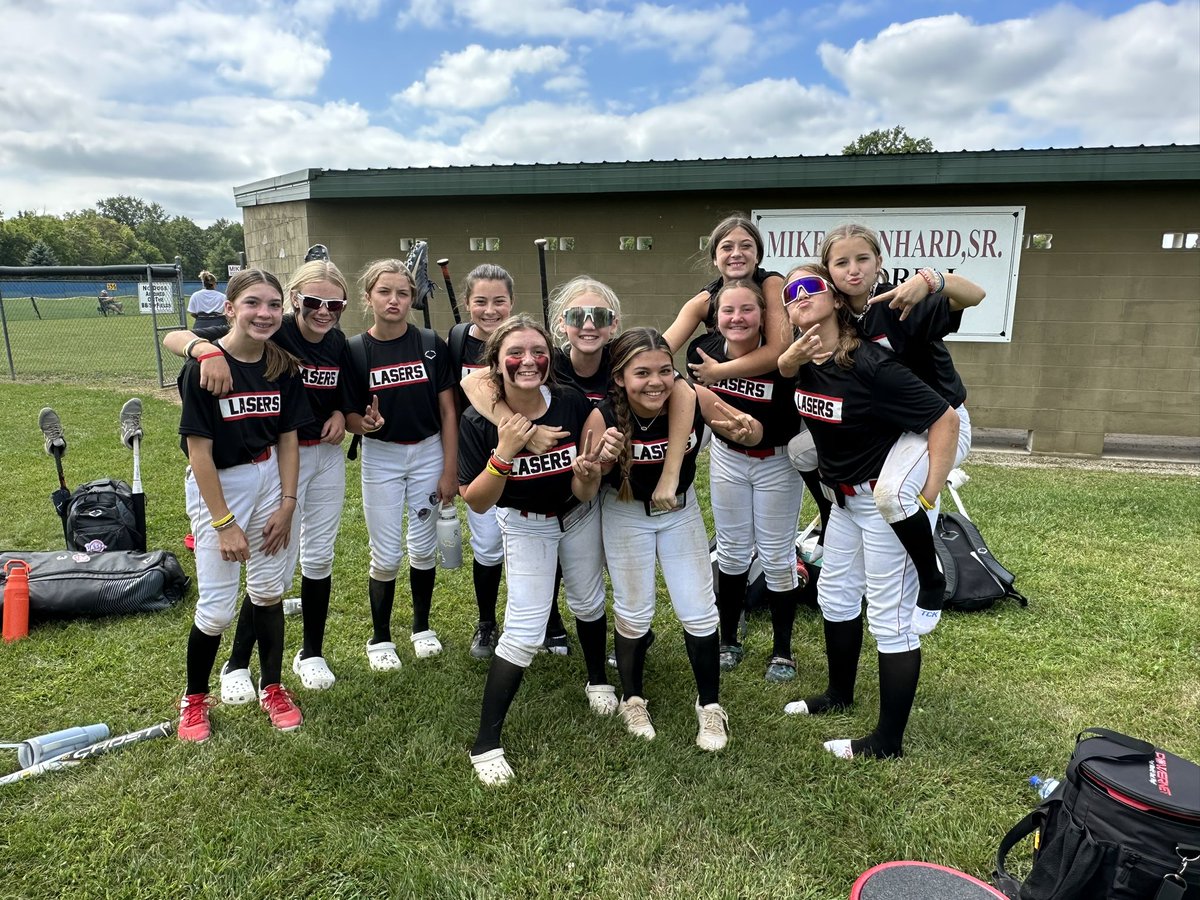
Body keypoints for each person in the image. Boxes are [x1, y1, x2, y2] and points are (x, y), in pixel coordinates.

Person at [777, 265, 959, 759]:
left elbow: (944, 418)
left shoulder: (870, 364)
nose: (800, 296)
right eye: (790, 293)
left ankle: (886, 742)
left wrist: (930, 492)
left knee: (890, 619)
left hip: (883, 502)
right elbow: (786, 375)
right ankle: (839, 694)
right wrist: (788, 362)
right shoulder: (802, 360)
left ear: (836, 299)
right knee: (835, 598)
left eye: (811, 287)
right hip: (843, 502)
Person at [462, 275, 693, 653]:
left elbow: (680, 387)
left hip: (614, 478)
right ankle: (549, 621)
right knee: (549, 548)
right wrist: (523, 430)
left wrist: (670, 473)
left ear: (613, 324)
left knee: (609, 558)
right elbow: (475, 383)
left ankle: (632, 628)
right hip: (560, 475)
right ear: (561, 323)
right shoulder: (547, 360)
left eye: (599, 316)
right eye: (577, 315)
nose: (589, 324)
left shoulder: (622, 356)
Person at [166, 259, 356, 695]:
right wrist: (205, 351)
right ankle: (228, 670)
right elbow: (175, 337)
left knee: (288, 574)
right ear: (295, 301)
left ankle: (295, 666)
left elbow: (335, 399)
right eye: (314, 301)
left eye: (335, 304)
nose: (324, 310)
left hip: (299, 461)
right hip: (252, 466)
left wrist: (341, 413)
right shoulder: (269, 332)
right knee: (239, 593)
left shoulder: (317, 348)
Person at [459, 314, 616, 785]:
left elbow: (586, 488)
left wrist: (589, 475)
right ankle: (485, 742)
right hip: (525, 523)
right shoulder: (478, 420)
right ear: (496, 363)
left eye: (538, 352)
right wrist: (505, 453)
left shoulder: (569, 402)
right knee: (525, 629)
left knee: (588, 599)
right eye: (516, 353)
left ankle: (597, 678)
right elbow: (478, 501)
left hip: (576, 513)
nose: (528, 361)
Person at [590, 327, 762, 751]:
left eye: (665, 371)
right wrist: (602, 460)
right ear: (619, 378)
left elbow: (752, 431)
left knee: (699, 610)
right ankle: (632, 699)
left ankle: (710, 705)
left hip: (679, 511)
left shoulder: (690, 397)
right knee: (634, 610)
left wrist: (748, 430)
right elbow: (588, 481)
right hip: (626, 512)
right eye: (642, 373)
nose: (656, 382)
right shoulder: (603, 415)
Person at [817, 223, 985, 628]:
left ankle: (931, 575)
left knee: (893, 494)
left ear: (879, 262)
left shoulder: (901, 300)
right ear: (828, 270)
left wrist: (932, 280)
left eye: (863, 259)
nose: (853, 270)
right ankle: (829, 518)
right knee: (801, 451)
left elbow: (975, 294)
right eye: (842, 262)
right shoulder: (836, 313)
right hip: (890, 429)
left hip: (941, 422)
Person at [174, 269, 312, 742]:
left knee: (269, 591)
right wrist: (224, 523)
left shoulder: (282, 366)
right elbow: (199, 453)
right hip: (220, 484)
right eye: (253, 302)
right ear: (230, 308)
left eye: (274, 304)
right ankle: (194, 698)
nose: (265, 313)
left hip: (270, 476)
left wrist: (288, 503)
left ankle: (272, 687)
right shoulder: (206, 366)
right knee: (216, 608)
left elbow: (288, 438)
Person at [666, 214, 834, 560]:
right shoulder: (704, 300)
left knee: (809, 453)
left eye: (746, 245)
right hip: (736, 419)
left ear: (758, 254)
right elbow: (661, 347)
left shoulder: (771, 284)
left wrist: (720, 371)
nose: (736, 253)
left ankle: (828, 514)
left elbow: (778, 352)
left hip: (786, 403)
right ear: (714, 257)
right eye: (727, 247)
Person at [686, 279, 806, 681]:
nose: (737, 318)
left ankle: (782, 651)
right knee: (733, 551)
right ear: (716, 316)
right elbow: (697, 398)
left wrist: (758, 432)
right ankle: (728, 640)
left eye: (747, 310)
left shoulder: (784, 357)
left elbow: (792, 415)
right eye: (728, 310)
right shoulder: (703, 351)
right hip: (728, 457)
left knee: (777, 555)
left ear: (764, 315)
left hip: (776, 460)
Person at [344, 259, 458, 671]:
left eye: (403, 293)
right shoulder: (356, 350)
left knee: (424, 548)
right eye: (384, 292)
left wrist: (449, 469)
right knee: (386, 553)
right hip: (382, 456)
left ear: (413, 298)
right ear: (368, 297)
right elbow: (349, 416)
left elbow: (448, 411)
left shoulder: (429, 342)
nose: (394, 300)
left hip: (428, 450)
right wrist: (365, 424)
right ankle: (380, 637)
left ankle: (421, 627)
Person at [446, 264, 514, 659]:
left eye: (499, 301)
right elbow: (452, 405)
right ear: (467, 303)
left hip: (524, 454)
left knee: (532, 542)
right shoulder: (457, 340)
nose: (490, 310)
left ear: (512, 303)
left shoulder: (524, 340)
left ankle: (548, 619)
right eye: (481, 301)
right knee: (487, 545)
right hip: (477, 457)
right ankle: (487, 623)